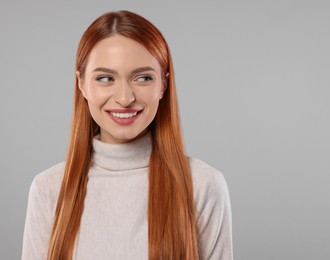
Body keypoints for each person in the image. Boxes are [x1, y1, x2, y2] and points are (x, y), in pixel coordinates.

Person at [21, 10, 233, 260]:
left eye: (143, 78)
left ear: (163, 85)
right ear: (82, 84)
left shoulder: (202, 185)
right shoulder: (48, 189)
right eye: (105, 78)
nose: (125, 98)